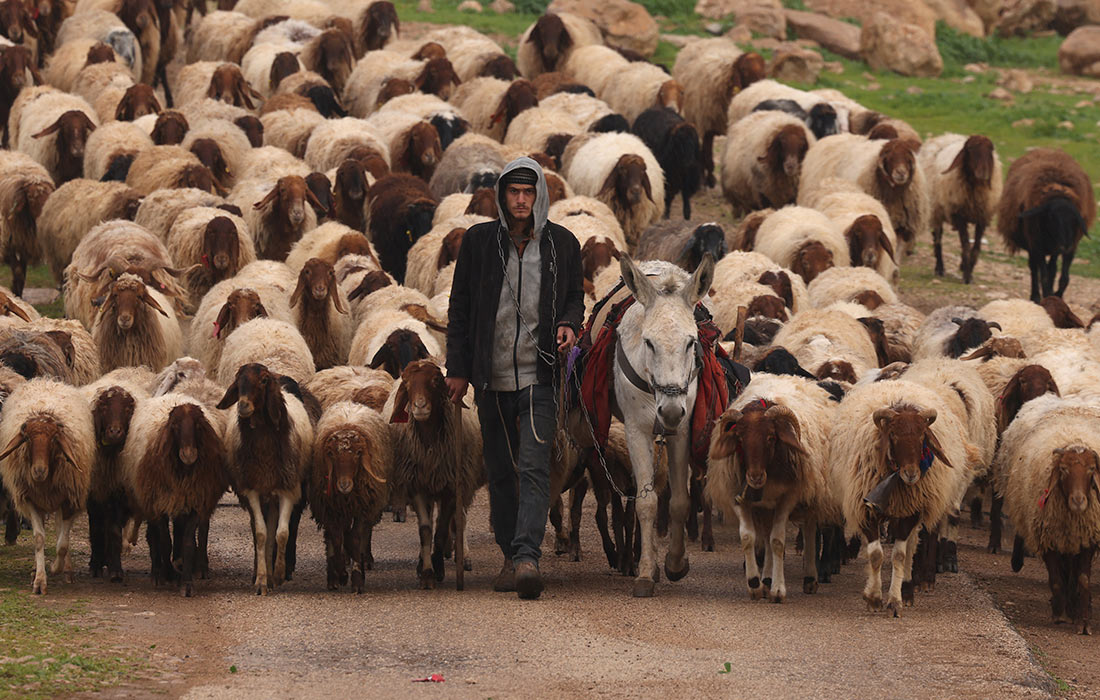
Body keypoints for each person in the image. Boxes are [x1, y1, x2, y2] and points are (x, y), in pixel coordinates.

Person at [445, 157, 585, 599]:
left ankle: (527, 557)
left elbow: (576, 297)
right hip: (490, 377)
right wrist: (458, 370)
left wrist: (568, 321)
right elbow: (461, 307)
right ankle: (508, 551)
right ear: (502, 196)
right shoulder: (479, 242)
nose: (521, 200)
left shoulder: (563, 244)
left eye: (528, 192)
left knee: (534, 464)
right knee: (501, 469)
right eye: (513, 192)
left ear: (539, 195)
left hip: (539, 375)